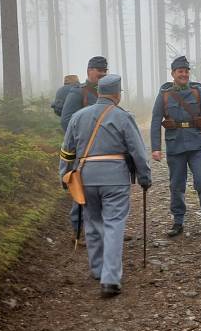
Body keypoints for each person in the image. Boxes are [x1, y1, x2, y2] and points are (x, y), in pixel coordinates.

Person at [59, 74, 151, 297]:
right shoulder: (123, 117)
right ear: (117, 95)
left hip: (86, 177)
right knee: (114, 224)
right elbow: (137, 151)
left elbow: (67, 150)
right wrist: (144, 177)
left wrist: (64, 175)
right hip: (115, 179)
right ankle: (110, 280)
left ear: (99, 93)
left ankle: (97, 269)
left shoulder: (78, 117)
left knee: (92, 222)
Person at [150, 56, 201, 237]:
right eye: (180, 71)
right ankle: (178, 221)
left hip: (196, 144)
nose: (184, 74)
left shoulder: (197, 92)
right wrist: (155, 147)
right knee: (176, 185)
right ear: (173, 73)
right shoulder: (164, 94)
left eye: (186, 71)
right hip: (175, 145)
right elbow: (156, 120)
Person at [61, 56, 108, 240]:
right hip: (83, 151)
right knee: (81, 190)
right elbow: (67, 121)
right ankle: (78, 232)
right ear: (89, 71)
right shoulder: (78, 93)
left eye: (105, 71)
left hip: (104, 150)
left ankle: (104, 231)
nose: (102, 74)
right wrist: (80, 140)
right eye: (99, 71)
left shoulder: (106, 92)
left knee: (104, 191)